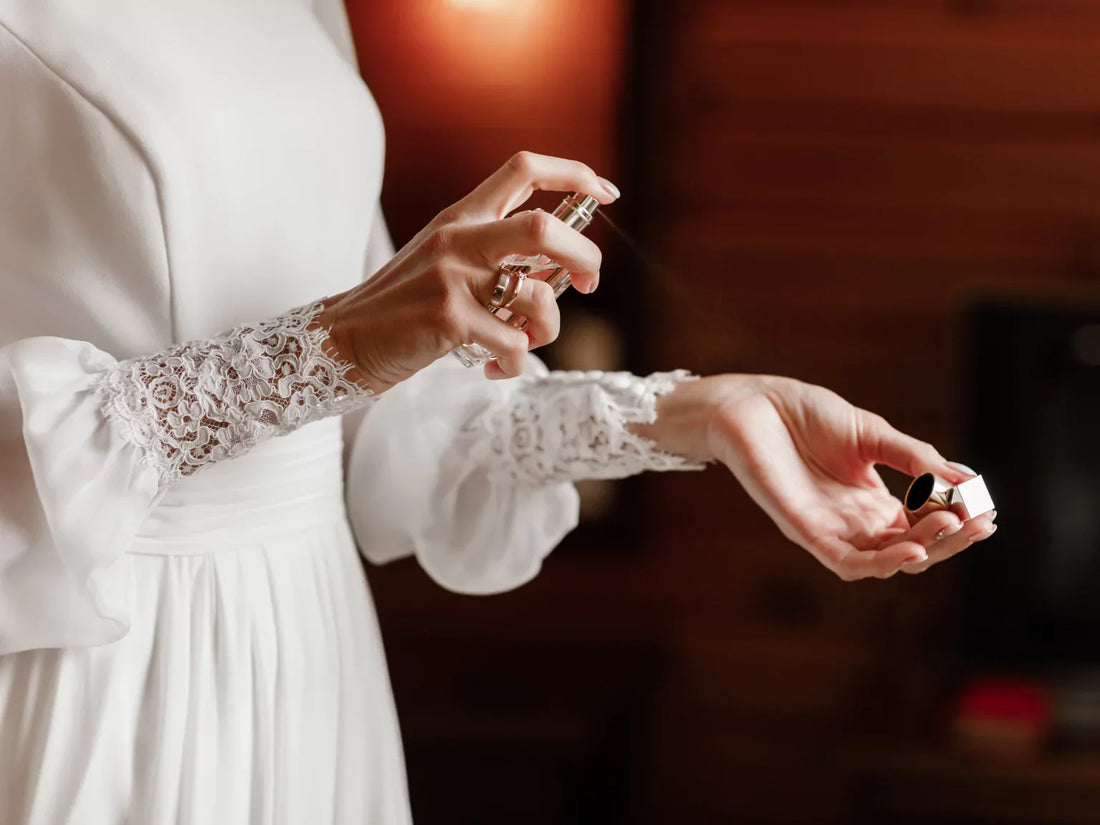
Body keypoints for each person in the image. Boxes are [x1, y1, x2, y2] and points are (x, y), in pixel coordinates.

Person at [0, 2, 996, 823]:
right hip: (98, 658)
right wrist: (339, 343)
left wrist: (699, 415)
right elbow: (332, 357)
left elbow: (398, 433)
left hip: (309, 655)